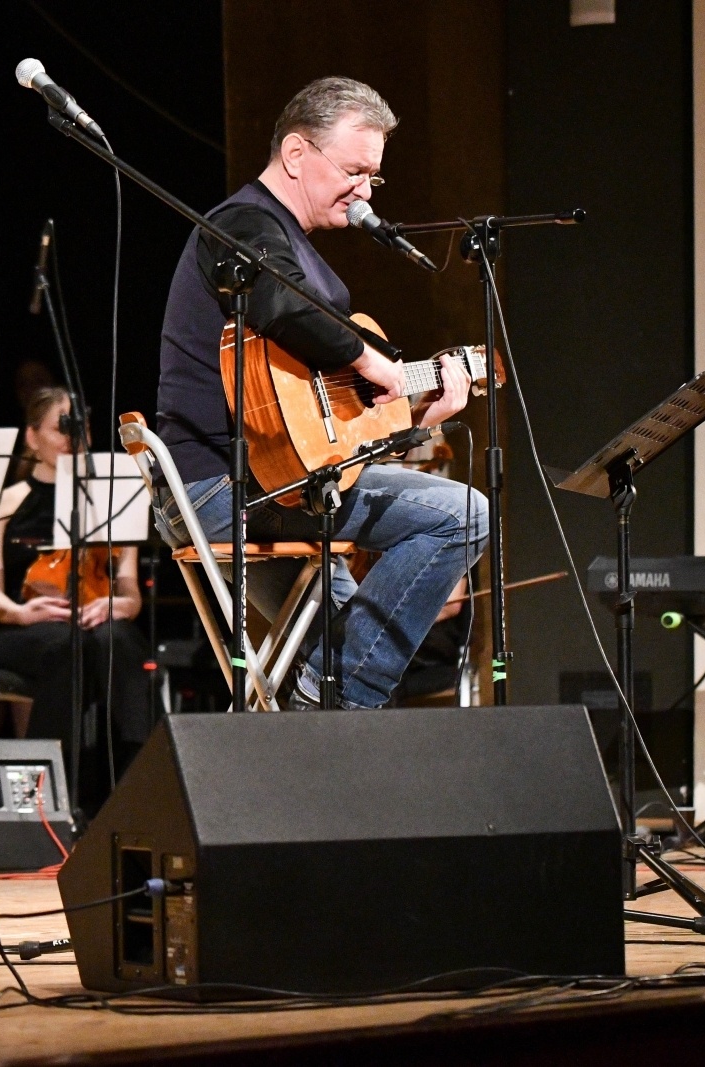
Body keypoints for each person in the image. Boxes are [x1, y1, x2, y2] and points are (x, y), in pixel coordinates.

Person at [153, 75, 487, 709]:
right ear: (298, 153)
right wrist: (371, 359)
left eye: (374, 177)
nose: (365, 191)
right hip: (226, 487)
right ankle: (327, 705)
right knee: (462, 516)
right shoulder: (240, 226)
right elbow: (278, 304)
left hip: (282, 481)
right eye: (355, 170)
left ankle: (323, 712)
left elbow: (323, 414)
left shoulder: (292, 243)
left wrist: (419, 408)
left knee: (343, 651)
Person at [0, 386, 150, 804]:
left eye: (81, 427)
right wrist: (22, 612)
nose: (73, 437)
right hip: (22, 628)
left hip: (93, 623)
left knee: (117, 641)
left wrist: (120, 604)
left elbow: (130, 591)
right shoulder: (2, 503)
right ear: (31, 437)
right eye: (61, 427)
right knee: (66, 645)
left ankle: (129, 792)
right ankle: (45, 793)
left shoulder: (111, 499)